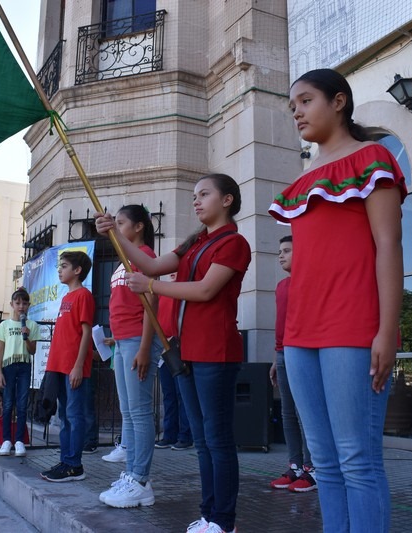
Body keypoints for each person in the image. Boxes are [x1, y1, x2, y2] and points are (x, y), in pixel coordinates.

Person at [268, 68, 406, 532]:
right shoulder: (305, 176)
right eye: (293, 107)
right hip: (300, 332)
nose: (298, 113)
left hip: (352, 323)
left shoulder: (373, 157)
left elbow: (388, 245)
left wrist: (388, 329)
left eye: (306, 101)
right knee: (323, 461)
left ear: (339, 101)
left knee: (357, 459)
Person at [95, 173, 251, 533]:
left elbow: (206, 290)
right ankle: (209, 515)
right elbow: (150, 265)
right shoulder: (195, 241)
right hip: (186, 352)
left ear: (227, 200)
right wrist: (114, 235)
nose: (196, 201)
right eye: (195, 196)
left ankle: (224, 521)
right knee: (202, 440)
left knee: (217, 439)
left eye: (204, 195)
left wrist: (152, 286)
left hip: (216, 351)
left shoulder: (234, 243)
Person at [98, 205, 164, 508]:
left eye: (121, 223)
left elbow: (152, 303)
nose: (118, 227)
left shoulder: (146, 257)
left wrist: (143, 347)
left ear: (138, 227)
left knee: (139, 412)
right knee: (128, 412)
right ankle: (131, 476)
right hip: (122, 342)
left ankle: (139, 478)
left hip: (138, 341)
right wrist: (116, 338)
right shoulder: (121, 263)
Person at [40, 251, 94, 483]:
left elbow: (86, 333)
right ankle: (66, 460)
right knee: (64, 415)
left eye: (64, 266)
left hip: (73, 368)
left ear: (77, 270)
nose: (60, 270)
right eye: (59, 266)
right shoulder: (65, 298)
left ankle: (75, 465)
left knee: (74, 414)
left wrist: (78, 366)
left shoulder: (84, 295)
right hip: (59, 367)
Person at [268, 235, 316, 493]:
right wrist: (277, 357)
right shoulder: (281, 286)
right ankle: (296, 465)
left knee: (304, 413)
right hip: (284, 354)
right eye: (280, 250)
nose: (281, 255)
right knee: (287, 413)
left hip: (303, 352)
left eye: (287, 250)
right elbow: (280, 325)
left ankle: (312, 468)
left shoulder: (310, 282)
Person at [0, 287, 39, 457]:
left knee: (22, 404)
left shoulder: (32, 325)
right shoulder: (5, 325)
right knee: (7, 404)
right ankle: (6, 440)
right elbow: (0, 350)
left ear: (28, 305)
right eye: (18, 303)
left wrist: (26, 336)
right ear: (12, 304)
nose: (21, 306)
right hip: (9, 366)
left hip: (24, 365)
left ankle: (19, 441)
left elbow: (33, 350)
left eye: (24, 303)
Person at [155, 274, 193, 451]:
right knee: (169, 395)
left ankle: (185, 436)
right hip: (163, 349)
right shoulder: (163, 293)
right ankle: (169, 434)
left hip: (178, 346)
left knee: (182, 394)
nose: (172, 273)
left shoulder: (184, 292)